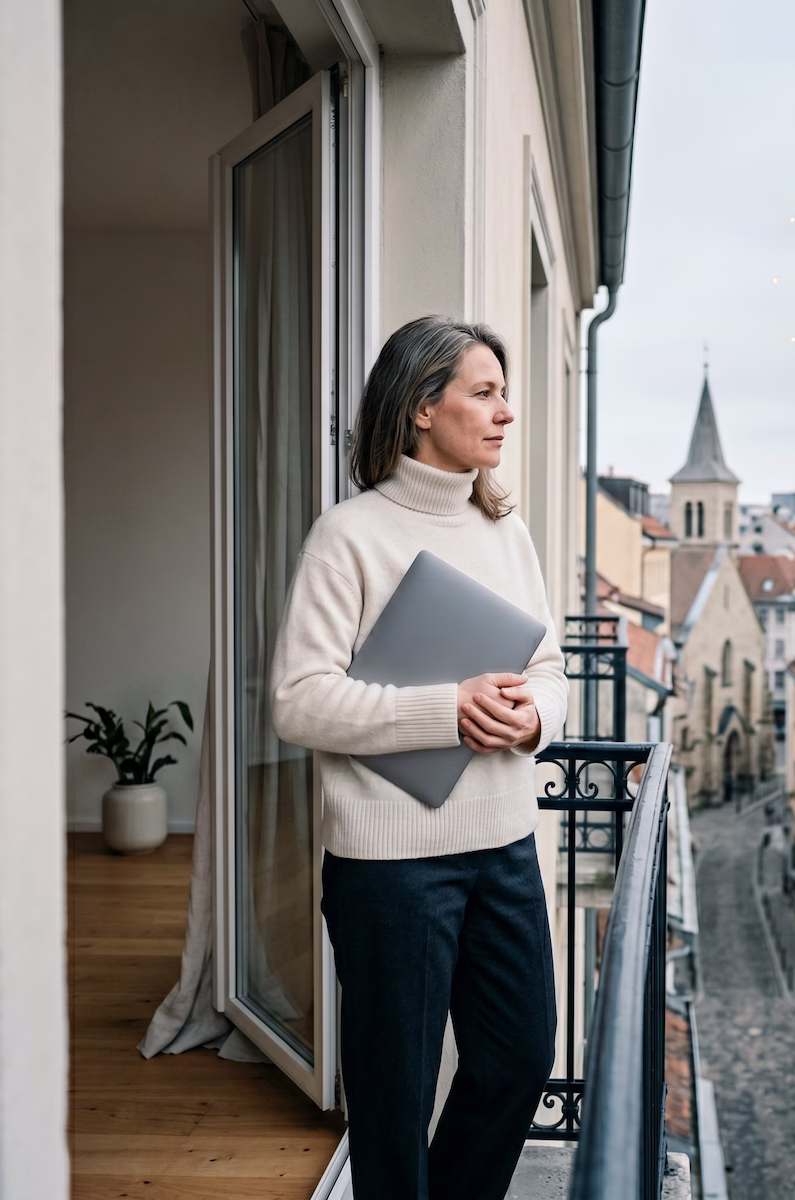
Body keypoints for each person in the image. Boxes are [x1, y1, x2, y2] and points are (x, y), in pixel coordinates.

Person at [270, 315, 568, 1200]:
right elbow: (296, 700)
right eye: (485, 393)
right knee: (393, 1099)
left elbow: (547, 667)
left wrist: (532, 718)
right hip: (389, 865)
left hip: (504, 843)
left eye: (505, 393)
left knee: (519, 1057)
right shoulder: (347, 535)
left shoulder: (504, 529)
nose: (506, 412)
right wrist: (450, 709)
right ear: (419, 411)